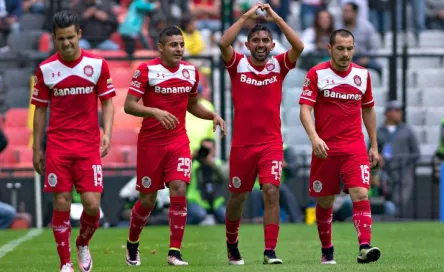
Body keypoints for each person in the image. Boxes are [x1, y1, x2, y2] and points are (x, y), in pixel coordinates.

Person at [123, 25, 226, 266]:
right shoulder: (146, 70)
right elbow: (129, 105)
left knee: (179, 188)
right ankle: (132, 243)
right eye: (173, 45)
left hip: (178, 140)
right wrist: (154, 111)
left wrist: (213, 115)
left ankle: (174, 252)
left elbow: (192, 105)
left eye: (181, 44)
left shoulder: (191, 72)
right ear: (161, 47)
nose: (179, 49)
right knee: (147, 200)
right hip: (151, 144)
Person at [218, 2, 304, 265]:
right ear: (247, 44)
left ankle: (270, 251)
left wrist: (276, 18)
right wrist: (245, 16)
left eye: (265, 40)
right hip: (242, 145)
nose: (260, 43)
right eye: (255, 39)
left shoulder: (279, 65)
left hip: (270, 144)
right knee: (237, 198)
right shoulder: (237, 64)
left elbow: (299, 46)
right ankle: (232, 243)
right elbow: (223, 44)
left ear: (272, 45)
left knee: (271, 191)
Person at [31, 10, 116, 272]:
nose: (67, 43)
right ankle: (65, 263)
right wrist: (37, 148)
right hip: (58, 146)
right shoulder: (46, 69)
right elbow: (40, 110)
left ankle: (82, 242)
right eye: (61, 39)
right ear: (54, 39)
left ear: (79, 34)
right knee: (61, 203)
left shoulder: (98, 65)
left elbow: (108, 102)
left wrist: (108, 133)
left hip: (88, 145)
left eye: (70, 37)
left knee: (92, 206)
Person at [299, 29, 381, 264]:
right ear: (330, 49)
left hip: (354, 147)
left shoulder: (363, 75)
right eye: (340, 48)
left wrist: (373, 144)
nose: (346, 54)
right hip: (325, 149)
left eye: (350, 48)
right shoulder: (317, 73)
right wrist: (314, 138)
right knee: (325, 201)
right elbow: (305, 109)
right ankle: (327, 250)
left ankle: (364, 246)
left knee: (361, 193)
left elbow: (368, 109)